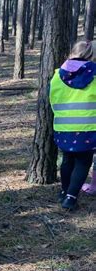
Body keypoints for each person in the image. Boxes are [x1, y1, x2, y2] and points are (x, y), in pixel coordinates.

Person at [50, 40, 96, 211]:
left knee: (67, 159)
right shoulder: (94, 75)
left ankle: (64, 191)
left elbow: (52, 99)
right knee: (83, 162)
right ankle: (71, 197)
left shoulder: (57, 75)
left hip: (63, 126)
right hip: (88, 128)